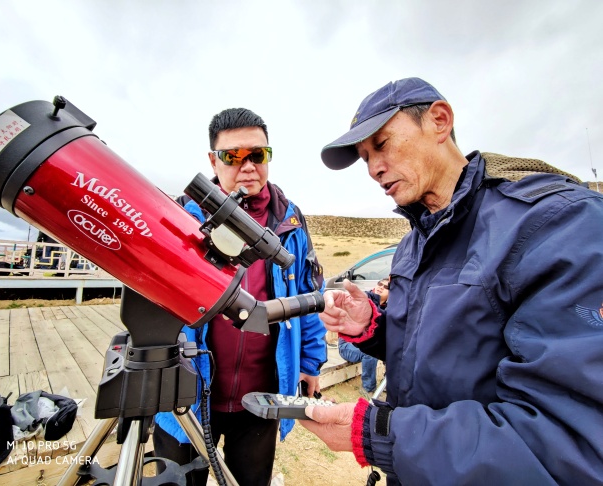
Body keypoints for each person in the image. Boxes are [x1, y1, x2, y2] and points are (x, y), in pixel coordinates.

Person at [300, 77, 603, 485]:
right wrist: (372, 327)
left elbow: (568, 441)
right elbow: (440, 351)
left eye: (383, 144)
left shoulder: (555, 225)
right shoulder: (413, 243)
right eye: (364, 156)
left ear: (439, 121)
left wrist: (383, 436)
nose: (373, 169)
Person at [154, 108, 327, 486]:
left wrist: (311, 363)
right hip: (184, 397)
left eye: (258, 154)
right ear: (213, 160)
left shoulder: (290, 221)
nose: (247, 165)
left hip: (260, 397)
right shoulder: (182, 215)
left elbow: (310, 294)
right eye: (233, 156)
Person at [338, 278, 389, 396]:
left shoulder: (389, 308)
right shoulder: (365, 299)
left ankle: (388, 383)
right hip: (347, 346)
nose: (381, 287)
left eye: (386, 287)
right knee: (370, 354)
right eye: (380, 284)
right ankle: (367, 388)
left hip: (365, 345)